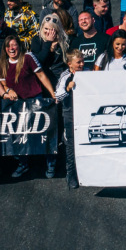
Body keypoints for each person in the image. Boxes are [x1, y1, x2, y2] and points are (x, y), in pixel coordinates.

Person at [0, 36, 57, 179]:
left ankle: (51, 162)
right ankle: (23, 164)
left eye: (14, 45)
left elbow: (41, 76)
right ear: (5, 49)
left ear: (19, 46)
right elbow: (2, 83)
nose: (12, 48)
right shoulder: (3, 63)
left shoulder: (28, 57)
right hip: (17, 103)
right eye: (8, 46)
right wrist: (8, 91)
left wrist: (53, 94)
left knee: (43, 133)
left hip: (35, 100)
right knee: (19, 134)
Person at [55, 50, 85, 188]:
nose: (81, 64)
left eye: (82, 61)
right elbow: (58, 96)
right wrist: (67, 88)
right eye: (78, 62)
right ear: (70, 64)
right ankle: (71, 175)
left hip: (85, 114)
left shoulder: (88, 73)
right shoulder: (65, 75)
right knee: (71, 146)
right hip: (70, 115)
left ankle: (86, 174)